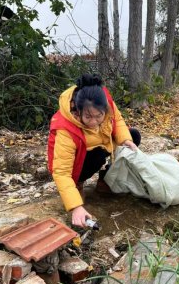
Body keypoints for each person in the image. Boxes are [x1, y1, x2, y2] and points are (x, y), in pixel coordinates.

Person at [47, 74, 141, 228]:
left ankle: (106, 180)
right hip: (77, 163)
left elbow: (117, 119)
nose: (94, 121)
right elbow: (61, 172)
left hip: (101, 144)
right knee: (97, 155)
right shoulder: (65, 127)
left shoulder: (105, 101)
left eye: (99, 116)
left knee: (133, 136)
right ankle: (78, 184)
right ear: (78, 111)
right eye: (88, 116)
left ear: (105, 109)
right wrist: (75, 207)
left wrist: (126, 140)